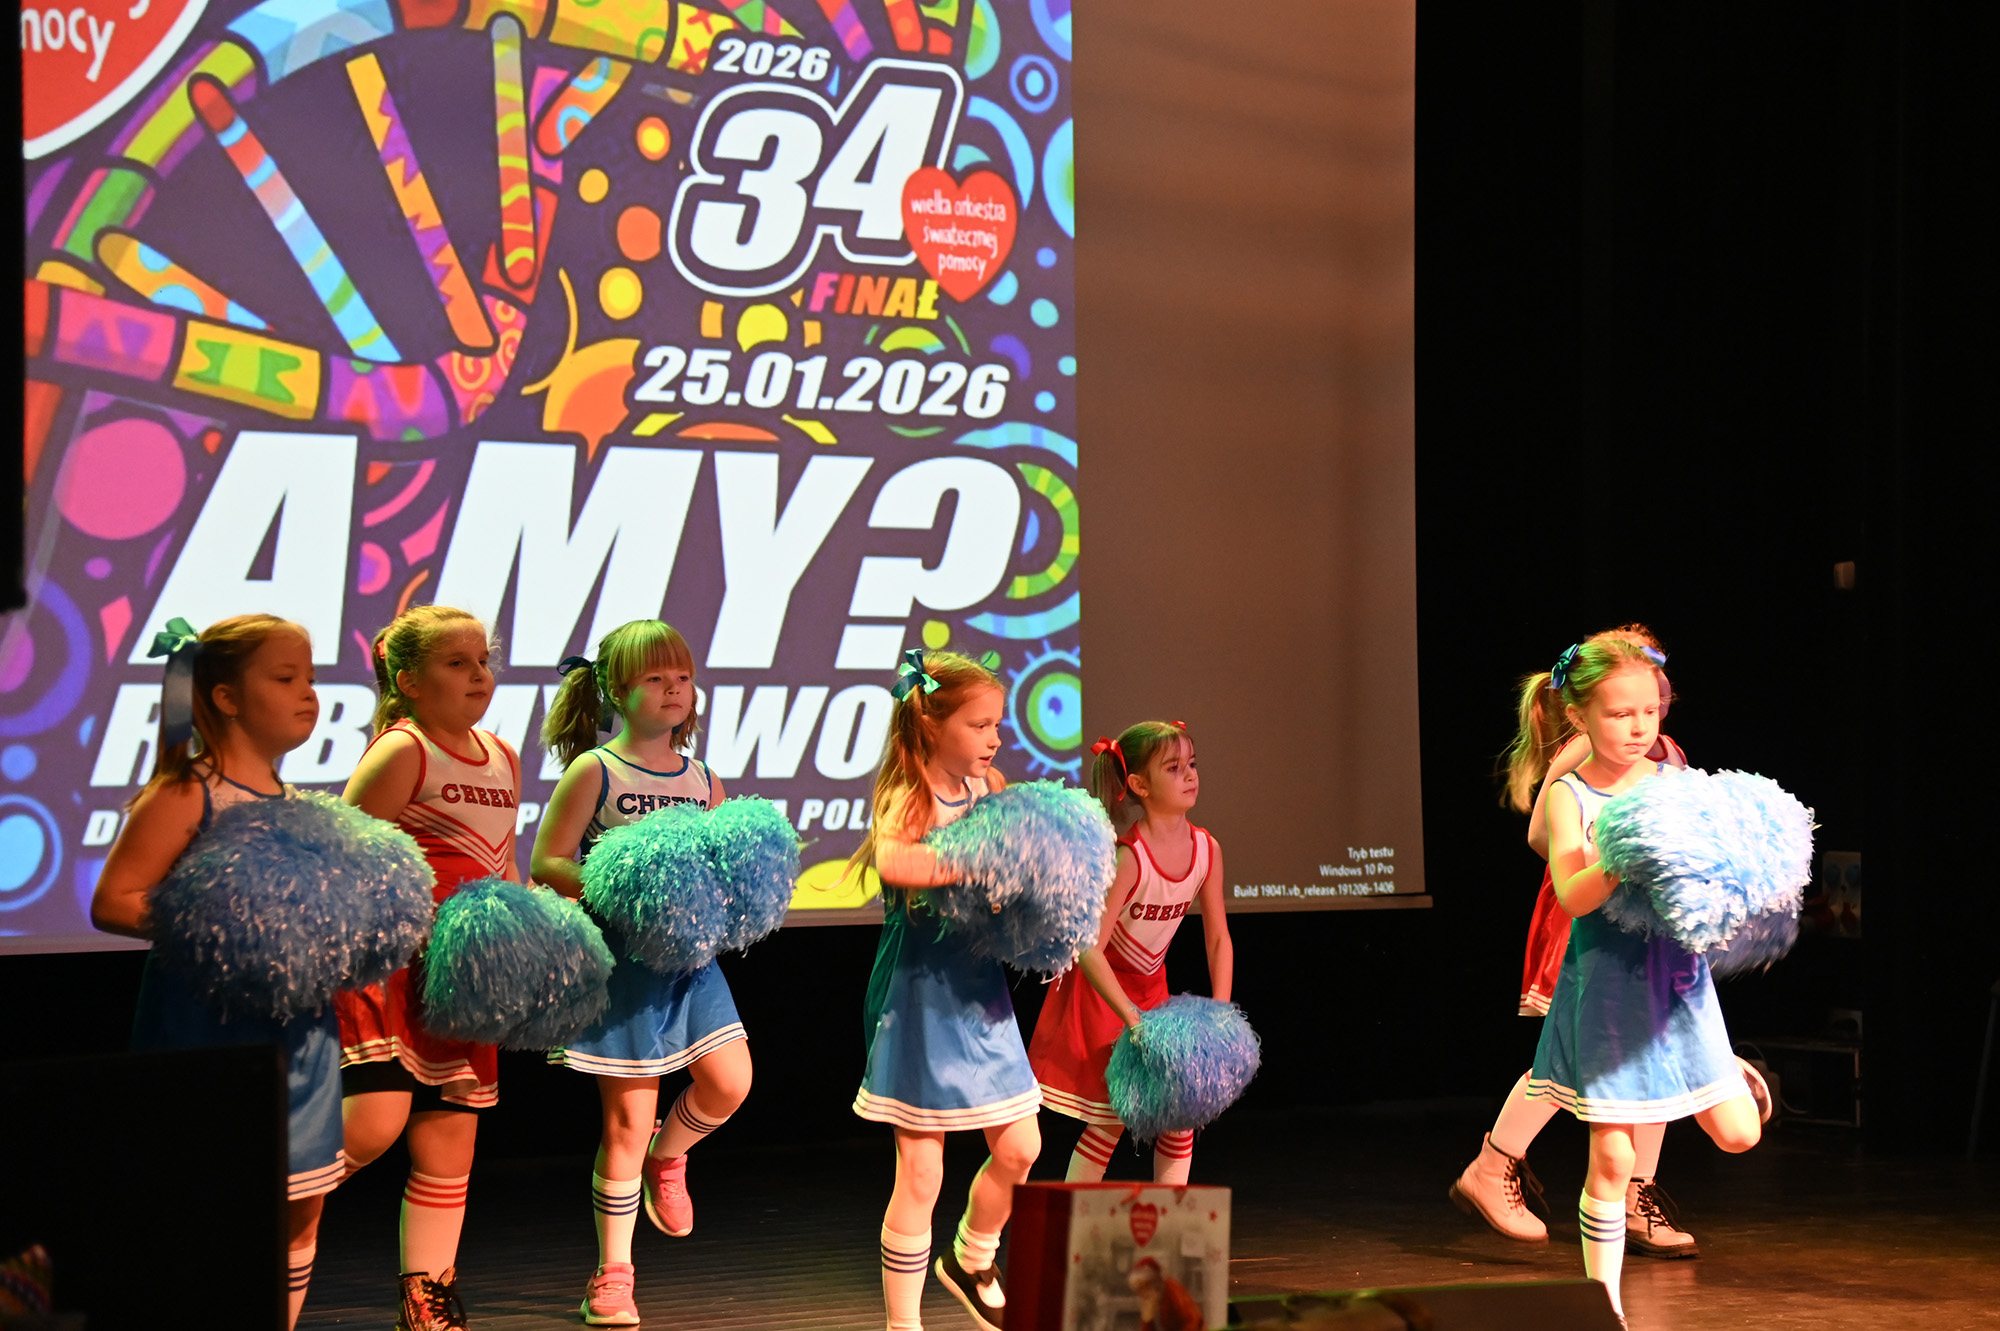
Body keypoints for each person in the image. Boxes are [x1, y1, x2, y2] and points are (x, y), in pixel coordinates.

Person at [91, 614, 341, 1330]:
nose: (308, 693)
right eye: (286, 678)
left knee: (302, 1205)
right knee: (208, 1208)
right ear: (227, 697)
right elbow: (115, 899)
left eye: (311, 678)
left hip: (302, 1037)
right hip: (208, 1034)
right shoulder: (186, 791)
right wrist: (234, 930)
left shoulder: (299, 803)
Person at [1523, 636, 1766, 1323]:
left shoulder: (1674, 785)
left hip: (1680, 986)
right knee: (1613, 1158)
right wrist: (1621, 856)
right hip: (1607, 990)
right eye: (1619, 713)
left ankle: (1731, 1072)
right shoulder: (1571, 794)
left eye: (1649, 711)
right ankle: (1604, 1307)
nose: (1638, 727)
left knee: (1740, 1134)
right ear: (1580, 718)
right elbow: (1572, 893)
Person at [1453, 626, 1706, 1258]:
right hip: (1592, 920)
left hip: (1651, 930)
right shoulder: (1583, 753)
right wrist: (1606, 861)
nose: (1641, 714)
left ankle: (1635, 1194)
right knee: (1567, 1056)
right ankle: (1494, 1163)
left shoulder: (1665, 757)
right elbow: (1542, 837)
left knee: (1650, 1055)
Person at [533, 620, 751, 1327]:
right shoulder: (596, 770)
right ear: (615, 690)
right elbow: (547, 861)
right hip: (622, 969)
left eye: (681, 677)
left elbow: (722, 869)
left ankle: (670, 1155)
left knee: (730, 1083)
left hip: (693, 965)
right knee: (625, 1123)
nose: (672, 689)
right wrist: (622, 886)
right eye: (655, 678)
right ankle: (614, 1274)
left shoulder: (705, 779)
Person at [336, 605, 521, 1331]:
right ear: (408, 681)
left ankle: (427, 1299)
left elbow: (505, 865)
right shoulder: (402, 749)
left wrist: (525, 939)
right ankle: (251, 1214)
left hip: (465, 977)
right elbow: (346, 859)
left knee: (450, 1136)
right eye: (457, 663)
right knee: (373, 1125)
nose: (479, 675)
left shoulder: (502, 754)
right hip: (390, 968)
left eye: (483, 661)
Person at [849, 650, 1041, 1331]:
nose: (994, 738)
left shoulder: (989, 787)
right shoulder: (910, 794)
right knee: (922, 1172)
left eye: (997, 725)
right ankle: (904, 1325)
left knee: (1020, 1146)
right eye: (979, 725)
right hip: (919, 995)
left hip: (980, 990)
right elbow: (895, 860)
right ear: (933, 726)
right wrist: (976, 860)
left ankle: (971, 1256)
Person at [1028, 720, 1234, 1183]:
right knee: (1111, 1119)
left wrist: (1220, 1013)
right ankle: (1074, 1222)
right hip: (1104, 996)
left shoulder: (1207, 850)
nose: (1190, 774)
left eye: (1192, 764)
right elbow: (1089, 948)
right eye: (1173, 768)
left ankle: (1171, 1219)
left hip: (1151, 994)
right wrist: (1131, 1018)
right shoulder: (1130, 857)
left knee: (1180, 1112)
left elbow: (1218, 938)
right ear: (1139, 785)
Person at [1127, 1258, 1203, 1331]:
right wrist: (1147, 1321)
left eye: (1144, 1287)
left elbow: (1193, 1321)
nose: (1142, 1295)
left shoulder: (1173, 1290)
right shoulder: (1150, 1302)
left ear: (1154, 1282)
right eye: (1139, 1291)